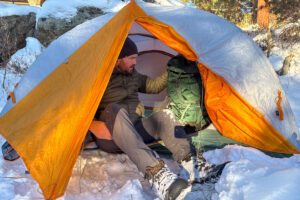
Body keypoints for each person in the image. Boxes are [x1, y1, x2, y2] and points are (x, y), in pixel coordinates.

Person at [87, 37, 229, 200]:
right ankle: (158, 177)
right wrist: (92, 125)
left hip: (136, 127)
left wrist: (171, 70)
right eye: (132, 58)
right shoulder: (99, 79)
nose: (135, 62)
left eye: (136, 57)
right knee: (114, 108)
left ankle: (195, 166)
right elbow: (76, 110)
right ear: (118, 59)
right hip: (110, 134)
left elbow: (153, 87)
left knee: (164, 115)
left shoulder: (134, 75)